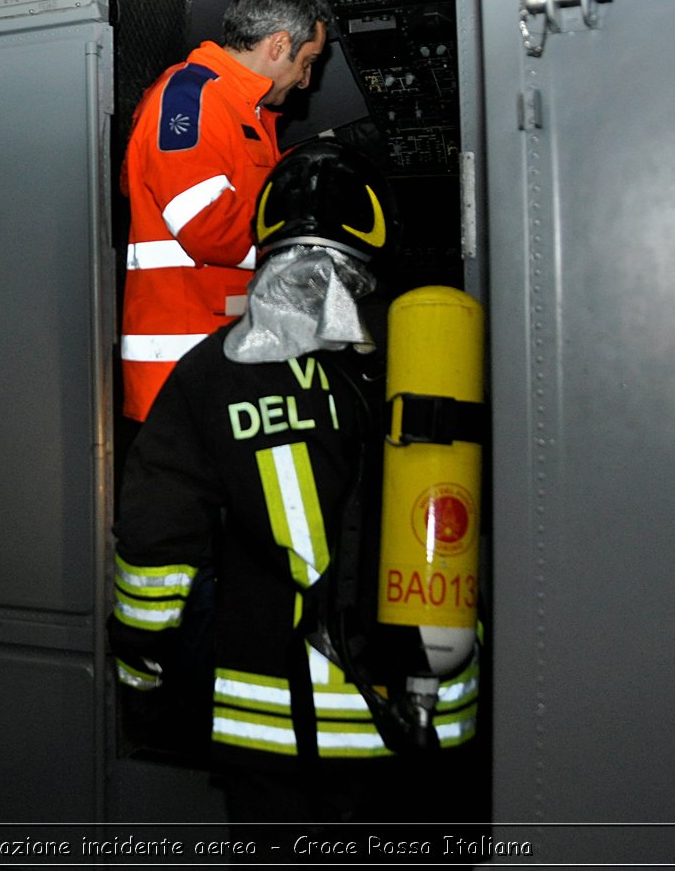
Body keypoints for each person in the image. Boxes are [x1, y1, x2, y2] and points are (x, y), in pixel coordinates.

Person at [108, 141, 481, 835]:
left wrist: (141, 676)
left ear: (267, 228)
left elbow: (154, 549)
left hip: (276, 731)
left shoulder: (210, 373)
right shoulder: (428, 354)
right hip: (424, 718)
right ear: (378, 229)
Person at [119, 0, 328, 424]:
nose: (307, 81)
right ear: (278, 45)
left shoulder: (242, 111)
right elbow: (207, 227)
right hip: (183, 378)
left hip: (222, 367)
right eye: (307, 62)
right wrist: (308, 237)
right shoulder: (189, 99)